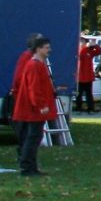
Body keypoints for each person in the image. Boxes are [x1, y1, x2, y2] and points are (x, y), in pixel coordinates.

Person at [11, 36, 58, 178]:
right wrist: (41, 105)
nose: (50, 50)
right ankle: (26, 168)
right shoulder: (34, 65)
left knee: (35, 137)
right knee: (32, 138)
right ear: (38, 49)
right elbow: (34, 88)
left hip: (34, 109)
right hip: (34, 110)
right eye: (46, 48)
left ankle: (32, 166)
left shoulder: (38, 64)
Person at [75, 37, 100, 112]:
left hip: (88, 77)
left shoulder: (89, 51)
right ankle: (79, 108)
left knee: (89, 94)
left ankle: (90, 109)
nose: (82, 43)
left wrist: (95, 45)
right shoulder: (79, 50)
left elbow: (99, 51)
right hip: (79, 77)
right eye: (81, 42)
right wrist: (86, 47)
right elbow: (80, 54)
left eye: (83, 42)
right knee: (79, 94)